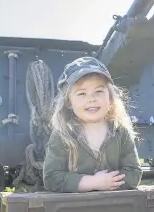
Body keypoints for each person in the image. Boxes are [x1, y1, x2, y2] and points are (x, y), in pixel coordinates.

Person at [43, 57, 142, 193]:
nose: (91, 99)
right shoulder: (63, 135)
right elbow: (51, 178)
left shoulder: (121, 132)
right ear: (69, 102)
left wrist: (109, 183)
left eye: (99, 91)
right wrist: (92, 182)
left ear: (110, 98)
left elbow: (134, 172)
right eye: (82, 93)